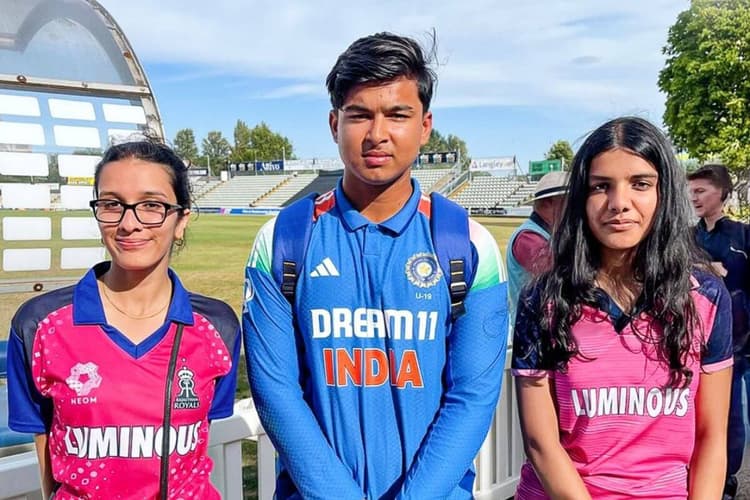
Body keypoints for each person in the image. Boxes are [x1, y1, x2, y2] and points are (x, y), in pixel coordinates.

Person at [243, 32, 508, 499]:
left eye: (397, 115)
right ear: (334, 124)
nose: (377, 134)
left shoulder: (468, 245)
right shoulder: (282, 240)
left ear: (425, 126)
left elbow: (471, 398)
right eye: (359, 114)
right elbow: (276, 393)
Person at [512, 116, 733, 499]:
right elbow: (541, 443)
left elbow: (711, 437)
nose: (619, 204)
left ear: (664, 193)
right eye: (601, 186)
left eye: (640, 184)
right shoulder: (544, 300)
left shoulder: (706, 298)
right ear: (580, 198)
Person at [6, 140, 241, 499]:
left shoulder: (217, 327)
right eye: (112, 204)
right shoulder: (40, 325)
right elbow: (46, 452)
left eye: (152, 205)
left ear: (181, 220)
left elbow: (195, 445)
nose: (129, 224)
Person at [688, 164, 750, 499]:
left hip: (747, 340)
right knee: (724, 419)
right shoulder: (687, 239)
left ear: (723, 193)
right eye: (691, 191)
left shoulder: (743, 235)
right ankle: (723, 482)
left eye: (701, 191)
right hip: (712, 347)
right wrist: (702, 267)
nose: (694, 198)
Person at [506, 170, 568, 322]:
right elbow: (562, 277)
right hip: (531, 327)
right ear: (548, 203)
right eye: (568, 201)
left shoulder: (549, 232)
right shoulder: (528, 238)